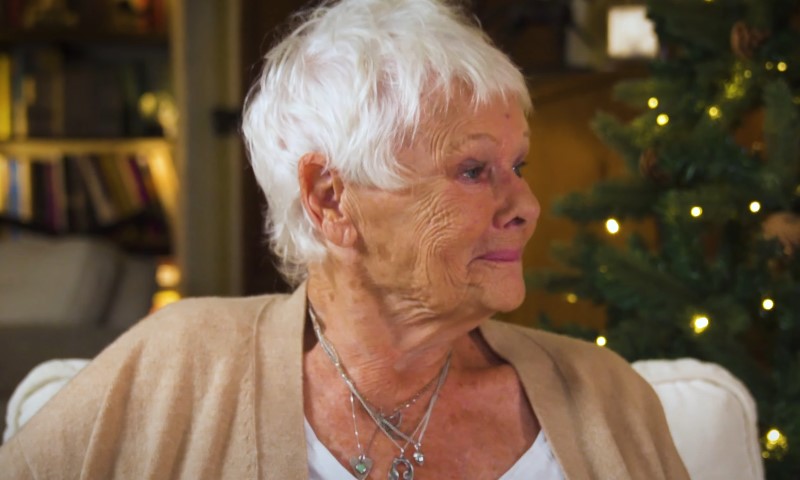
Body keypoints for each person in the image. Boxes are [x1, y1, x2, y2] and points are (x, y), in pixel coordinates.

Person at [0, 0, 689, 478]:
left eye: (520, 166)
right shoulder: (179, 368)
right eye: (475, 170)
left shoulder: (606, 398)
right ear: (331, 198)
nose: (527, 207)